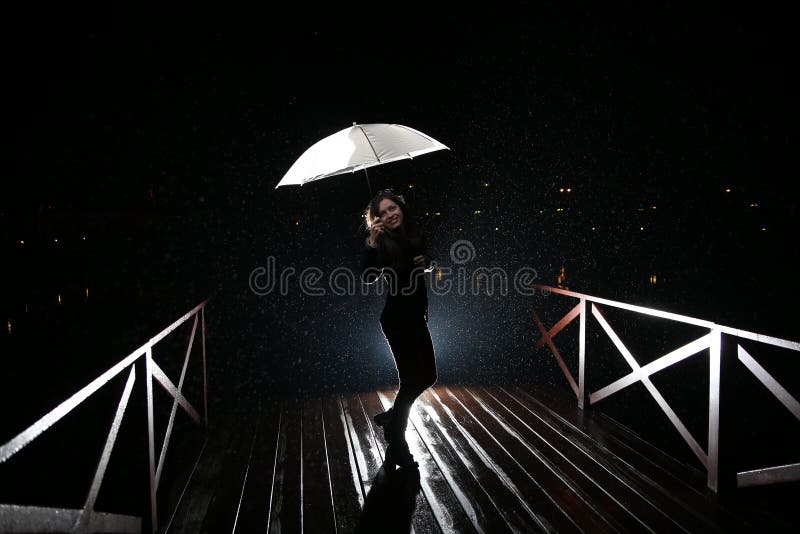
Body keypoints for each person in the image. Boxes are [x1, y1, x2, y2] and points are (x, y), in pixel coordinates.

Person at [360, 188, 438, 470]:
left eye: (393, 208)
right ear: (377, 219)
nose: (390, 214)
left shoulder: (415, 234)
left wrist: (428, 263)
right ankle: (397, 439)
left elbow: (428, 263)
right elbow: (367, 277)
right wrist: (371, 242)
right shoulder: (381, 243)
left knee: (429, 375)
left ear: (401, 208)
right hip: (396, 320)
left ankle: (392, 418)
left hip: (417, 315)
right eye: (383, 212)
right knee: (410, 380)